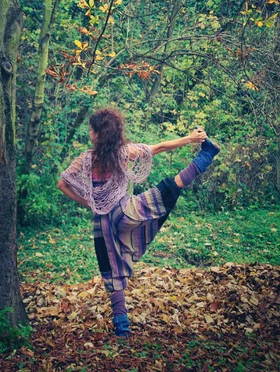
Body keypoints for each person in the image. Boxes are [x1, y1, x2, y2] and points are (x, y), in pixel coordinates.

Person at [57, 108, 220, 338]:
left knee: (111, 271)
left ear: (97, 134)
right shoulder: (123, 153)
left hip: (102, 225)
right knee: (167, 189)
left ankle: (122, 328)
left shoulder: (85, 160)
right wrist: (190, 139)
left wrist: (89, 203)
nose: (89, 134)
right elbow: (160, 147)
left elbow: (62, 185)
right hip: (126, 213)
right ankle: (205, 156)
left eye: (91, 130)